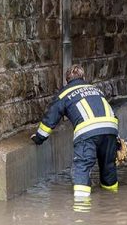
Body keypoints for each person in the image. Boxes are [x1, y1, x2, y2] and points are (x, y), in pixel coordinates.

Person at [31, 64, 119, 199]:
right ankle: (112, 199)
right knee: (108, 166)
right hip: (111, 129)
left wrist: (39, 138)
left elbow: (50, 119)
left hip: (87, 133)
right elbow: (109, 112)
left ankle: (81, 210)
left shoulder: (65, 94)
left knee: (82, 167)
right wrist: (116, 140)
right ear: (83, 77)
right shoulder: (95, 89)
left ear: (67, 80)